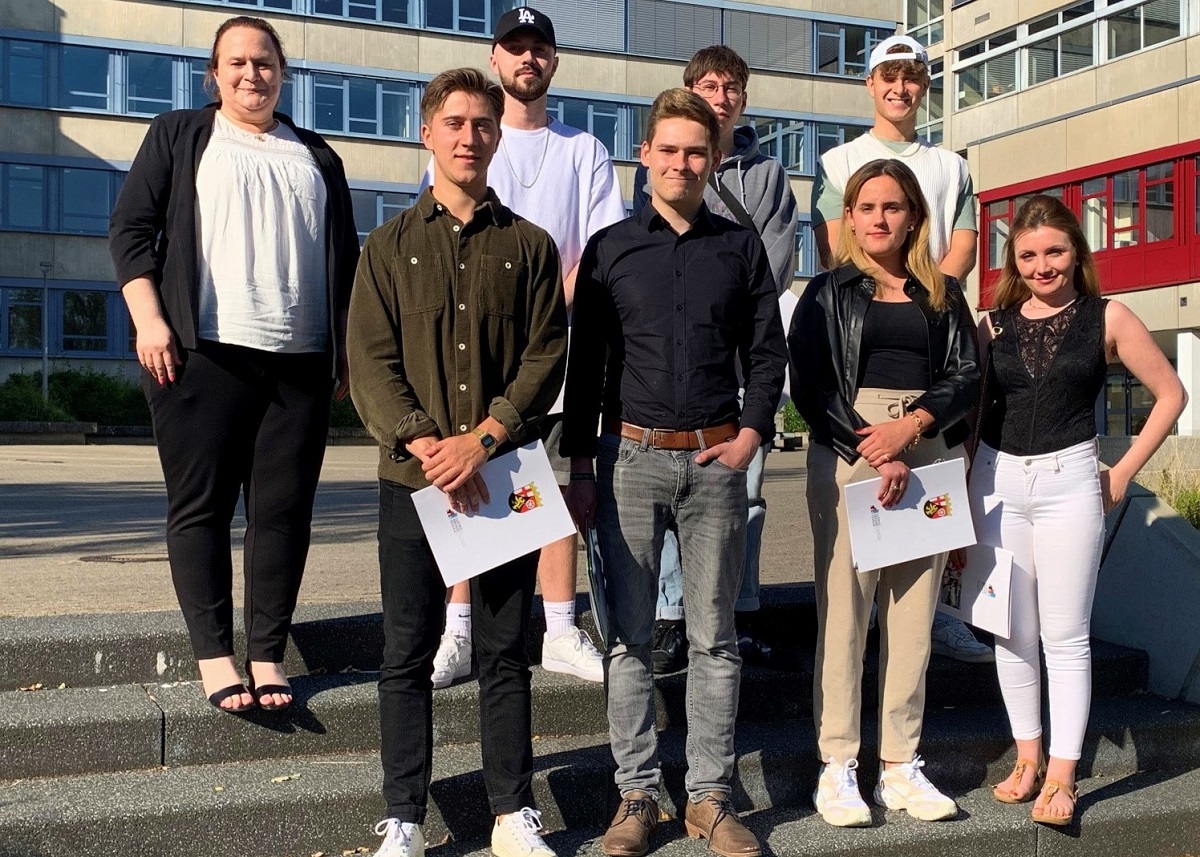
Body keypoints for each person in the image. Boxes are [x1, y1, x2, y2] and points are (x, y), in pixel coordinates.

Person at [108, 15, 358, 713]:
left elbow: (345, 259)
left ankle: (268, 651)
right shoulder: (180, 135)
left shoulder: (318, 156)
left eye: (265, 62)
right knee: (203, 509)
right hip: (200, 353)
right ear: (214, 74)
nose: (253, 73)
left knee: (282, 514)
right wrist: (149, 320)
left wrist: (342, 347)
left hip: (299, 363)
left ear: (283, 71)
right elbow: (131, 229)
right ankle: (216, 655)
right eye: (237, 62)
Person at [348, 67, 567, 857]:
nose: (470, 136)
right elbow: (369, 361)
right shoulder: (387, 248)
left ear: (497, 135)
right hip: (412, 480)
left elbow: (546, 355)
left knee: (506, 650)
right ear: (427, 134)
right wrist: (422, 440)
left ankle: (512, 810)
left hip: (502, 474)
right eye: (455, 122)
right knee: (405, 652)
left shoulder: (531, 246)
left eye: (482, 124)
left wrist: (483, 437)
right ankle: (404, 815)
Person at [564, 88, 786, 857]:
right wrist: (581, 465)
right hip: (628, 458)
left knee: (715, 639)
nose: (683, 162)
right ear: (646, 157)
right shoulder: (611, 248)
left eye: (698, 151)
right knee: (626, 637)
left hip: (715, 458)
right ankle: (637, 795)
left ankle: (710, 798)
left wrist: (752, 432)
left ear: (715, 158)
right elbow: (585, 365)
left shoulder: (740, 246)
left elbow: (766, 351)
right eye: (669, 149)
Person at [425, 6, 626, 688]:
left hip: (562, 341)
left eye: (540, 48)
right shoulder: (471, 139)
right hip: (475, 344)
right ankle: (458, 629)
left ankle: (562, 626)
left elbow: (599, 250)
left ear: (554, 62)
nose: (528, 59)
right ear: (495, 58)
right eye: (516, 48)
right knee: (469, 476)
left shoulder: (584, 150)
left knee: (559, 482)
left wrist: (544, 305)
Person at [970, 195, 1185, 827]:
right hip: (995, 480)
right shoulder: (993, 324)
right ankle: (1027, 757)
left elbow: (1171, 395)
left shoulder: (1108, 316)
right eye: (1029, 254)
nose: (1043, 266)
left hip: (1069, 483)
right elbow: (975, 409)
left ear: (1076, 253)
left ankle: (1063, 774)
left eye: (1055, 251)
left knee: (1065, 636)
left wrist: (1120, 473)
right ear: (1013, 258)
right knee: (1011, 630)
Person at [789, 158, 979, 828]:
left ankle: (900, 763)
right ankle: (838, 763)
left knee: (914, 615)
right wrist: (871, 444)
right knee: (845, 610)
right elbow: (810, 384)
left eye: (892, 207)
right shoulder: (826, 292)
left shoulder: (942, 291)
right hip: (851, 445)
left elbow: (965, 372)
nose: (878, 218)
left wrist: (913, 428)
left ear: (913, 216)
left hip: (923, 443)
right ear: (849, 218)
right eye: (866, 207)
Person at [811, 34, 991, 665]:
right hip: (869, 350)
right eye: (888, 75)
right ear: (869, 83)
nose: (900, 87)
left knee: (940, 498)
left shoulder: (952, 166)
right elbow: (838, 248)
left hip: (934, 338)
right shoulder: (840, 162)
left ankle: (942, 611)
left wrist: (925, 296)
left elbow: (965, 248)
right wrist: (892, 291)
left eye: (912, 77)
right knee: (849, 577)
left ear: (924, 86)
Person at [632, 45, 798, 675]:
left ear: (744, 98)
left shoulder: (768, 176)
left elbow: (771, 264)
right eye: (709, 84)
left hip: (741, 360)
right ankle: (674, 616)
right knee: (676, 500)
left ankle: (740, 612)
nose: (721, 95)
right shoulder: (669, 167)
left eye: (732, 86)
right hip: (680, 368)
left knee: (745, 498)